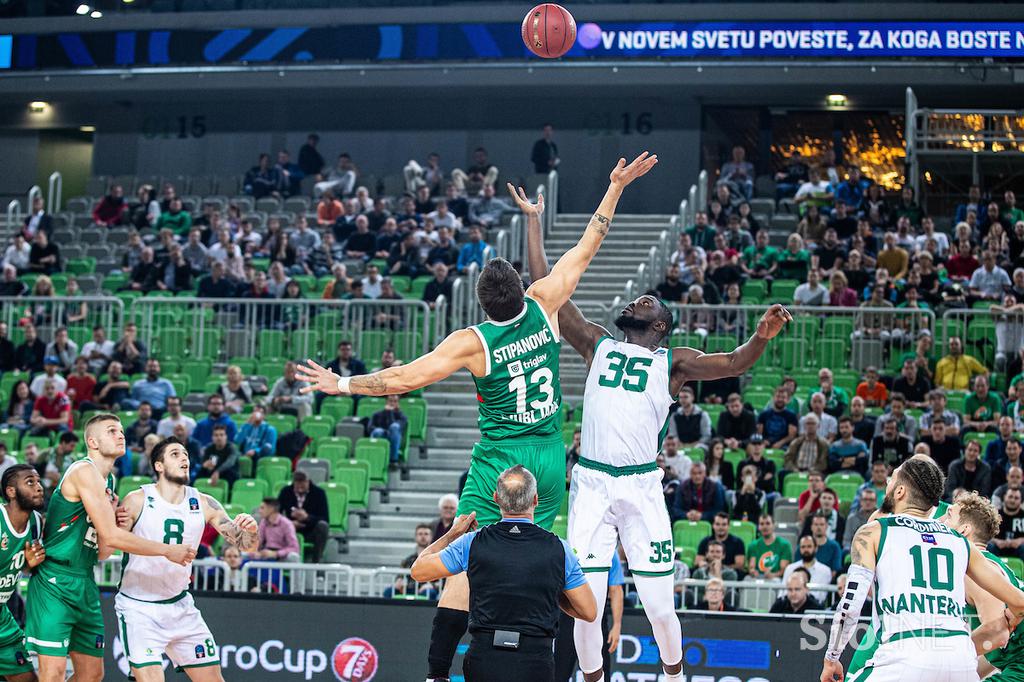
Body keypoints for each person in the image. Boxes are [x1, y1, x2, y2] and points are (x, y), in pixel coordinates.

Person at [296, 153, 658, 682]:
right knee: (537, 565)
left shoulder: (473, 342)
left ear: (483, 306)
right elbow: (588, 245)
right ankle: (549, 665)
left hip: (500, 460)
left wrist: (342, 383)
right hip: (549, 458)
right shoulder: (545, 303)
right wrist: (615, 187)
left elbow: (402, 380)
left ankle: (438, 674)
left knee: (464, 567)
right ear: (521, 290)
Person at [819, 455, 1024, 682]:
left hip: (905, 651)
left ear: (900, 492)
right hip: (959, 658)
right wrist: (1011, 619)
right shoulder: (960, 541)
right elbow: (1020, 604)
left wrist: (831, 658)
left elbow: (849, 608)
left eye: (892, 478)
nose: (887, 482)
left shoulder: (874, 530)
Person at [26, 415, 195, 682]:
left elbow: (104, 551)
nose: (120, 435)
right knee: (53, 674)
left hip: (84, 578)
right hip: (55, 580)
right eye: (111, 430)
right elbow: (112, 536)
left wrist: (116, 517)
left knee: (92, 675)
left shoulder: (110, 482)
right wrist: (166, 550)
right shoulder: (83, 470)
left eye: (121, 430)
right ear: (92, 441)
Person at [410, 465, 597, 682]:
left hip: (485, 658)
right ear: (536, 500)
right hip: (535, 660)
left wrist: (452, 534)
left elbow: (418, 570)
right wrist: (554, 594)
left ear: (496, 498)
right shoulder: (560, 549)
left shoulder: (472, 543)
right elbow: (589, 612)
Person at [113, 437, 257, 680]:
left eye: (186, 455)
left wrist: (252, 531)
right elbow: (115, 542)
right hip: (139, 607)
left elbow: (246, 545)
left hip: (180, 606)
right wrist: (164, 549)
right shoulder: (137, 499)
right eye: (175, 454)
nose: (184, 459)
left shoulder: (204, 502)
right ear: (159, 466)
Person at [0, 465, 46, 682]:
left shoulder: (36, 522)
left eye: (38, 482)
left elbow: (22, 566)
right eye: (30, 482)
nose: (39, 487)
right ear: (11, 491)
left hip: (2, 617)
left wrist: (30, 565)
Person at [278, 470, 330, 563]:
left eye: (303, 484)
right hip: (290, 530)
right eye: (297, 484)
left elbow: (325, 518)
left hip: (310, 530)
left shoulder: (319, 493)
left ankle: (316, 562)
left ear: (308, 481)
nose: (299, 487)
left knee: (323, 526)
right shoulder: (286, 492)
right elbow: (276, 513)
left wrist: (307, 518)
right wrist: (288, 523)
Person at [781, 536, 833, 603]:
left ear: (816, 548)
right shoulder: (790, 568)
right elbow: (782, 593)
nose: (806, 550)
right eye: (803, 547)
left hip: (814, 608)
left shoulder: (825, 571)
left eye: (809, 546)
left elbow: (821, 597)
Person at [252, 497, 301, 562]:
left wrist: (276, 554)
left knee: (294, 557)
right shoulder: (263, 522)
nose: (259, 511)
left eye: (262, 508)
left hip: (282, 556)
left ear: (271, 509)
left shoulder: (287, 524)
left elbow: (295, 548)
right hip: (267, 553)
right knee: (244, 554)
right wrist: (255, 552)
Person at [746, 513, 792, 580]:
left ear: (773, 525)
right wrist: (753, 572)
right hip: (758, 579)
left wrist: (772, 575)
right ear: (758, 527)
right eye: (762, 524)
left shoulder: (784, 545)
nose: (765, 527)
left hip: (777, 579)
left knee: (776, 580)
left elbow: (783, 570)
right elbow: (751, 567)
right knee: (747, 579)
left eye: (768, 523)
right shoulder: (753, 545)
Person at [369, 395, 407, 466]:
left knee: (394, 427)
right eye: (390, 401)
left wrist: (389, 412)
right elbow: (370, 428)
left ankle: (393, 460)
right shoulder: (377, 414)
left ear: (398, 404)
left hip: (395, 440)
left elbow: (392, 426)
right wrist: (382, 430)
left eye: (395, 401)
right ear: (386, 402)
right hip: (381, 437)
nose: (392, 403)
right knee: (378, 431)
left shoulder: (402, 417)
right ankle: (376, 459)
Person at [989, 487, 1024, 562]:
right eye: (1010, 497)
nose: (1013, 500)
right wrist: (996, 541)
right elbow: (984, 536)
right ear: (1004, 497)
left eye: (1016, 498)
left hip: (1018, 550)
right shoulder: (994, 515)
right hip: (997, 549)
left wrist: (1021, 540)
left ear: (1021, 501)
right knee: (989, 546)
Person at [843, 487, 877, 553]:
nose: (868, 502)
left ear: (875, 502)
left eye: (871, 500)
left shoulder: (882, 518)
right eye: (865, 499)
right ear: (861, 501)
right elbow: (847, 540)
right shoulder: (852, 518)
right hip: (856, 552)